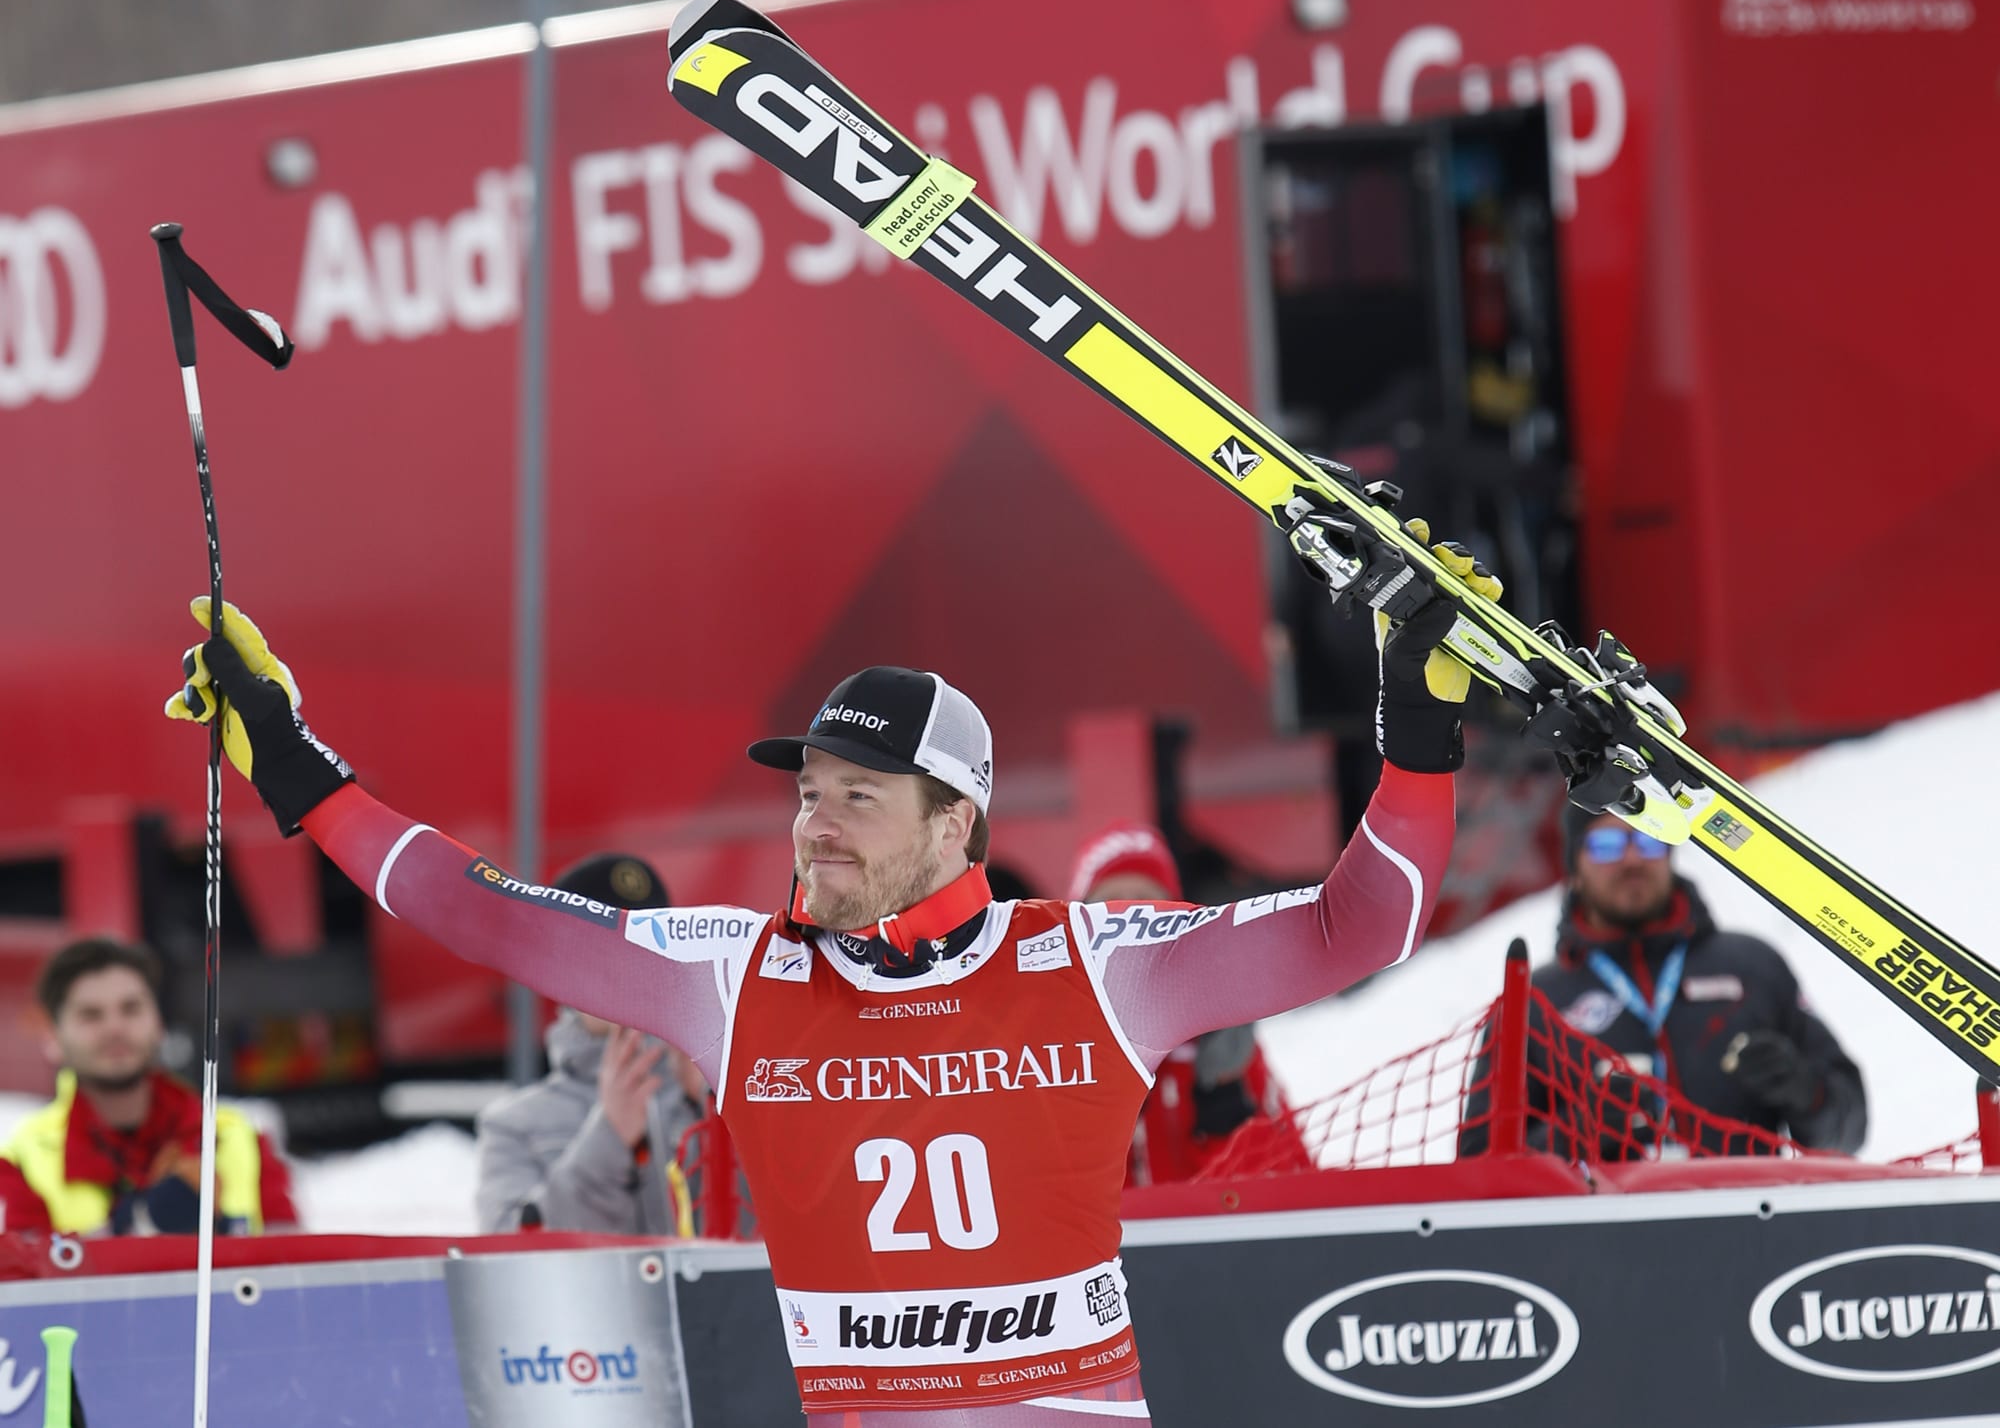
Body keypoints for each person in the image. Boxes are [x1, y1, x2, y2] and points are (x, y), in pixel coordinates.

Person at [164, 521, 1492, 1426]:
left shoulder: (1093, 962)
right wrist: (294, 762)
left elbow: (1357, 927)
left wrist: (1418, 730)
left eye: (861, 795)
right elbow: (479, 912)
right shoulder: (732, 977)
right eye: (809, 791)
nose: (817, 824)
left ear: (956, 824)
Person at [1461, 806, 1867, 1159]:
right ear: (1575, 869)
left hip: (1747, 1215)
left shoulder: (1752, 966)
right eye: (1606, 846)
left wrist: (1805, 1092)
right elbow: (1478, 1169)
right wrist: (1575, 1134)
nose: (1632, 859)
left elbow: (1850, 1129)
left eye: (1650, 839)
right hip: (1600, 1223)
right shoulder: (1536, 1000)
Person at [474, 853, 709, 1236]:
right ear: (559, 972)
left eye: (648, 950)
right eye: (604, 953)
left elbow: (782, 1234)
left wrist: (719, 1111)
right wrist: (608, 1142)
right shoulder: (514, 1126)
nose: (630, 972)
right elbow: (508, 1253)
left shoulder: (711, 1091)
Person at [0, 938, 298, 1236]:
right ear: (52, 1036)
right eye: (90, 1015)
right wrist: (130, 1231)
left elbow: (295, 1259)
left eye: (131, 1009)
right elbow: (18, 1264)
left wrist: (222, 1234)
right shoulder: (22, 1163)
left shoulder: (241, 1139)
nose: (115, 1028)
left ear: (159, 1023)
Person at [1068, 824, 1260, 1180]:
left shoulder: (1221, 1040)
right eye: (1110, 904)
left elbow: (1289, 1183)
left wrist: (1227, 1113)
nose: (1129, 920)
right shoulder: (1056, 1049)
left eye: (1145, 902)